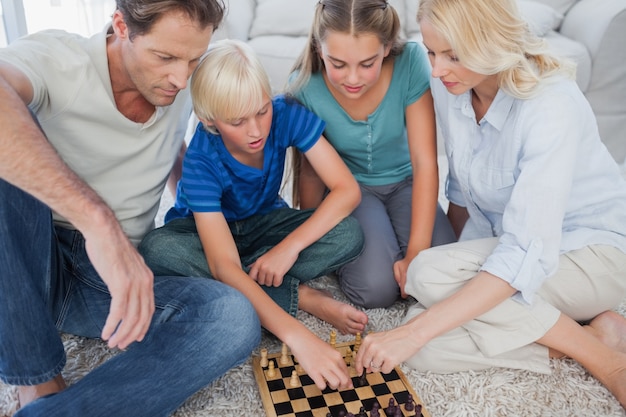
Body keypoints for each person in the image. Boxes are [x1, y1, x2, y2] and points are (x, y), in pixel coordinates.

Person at [353, 0, 626, 409]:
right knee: (426, 345)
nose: (437, 69)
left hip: (593, 252)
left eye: (453, 55)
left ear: (491, 44)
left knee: (426, 282)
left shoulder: (551, 105)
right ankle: (588, 333)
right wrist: (448, 273)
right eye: (430, 52)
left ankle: (606, 361)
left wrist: (430, 304)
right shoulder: (454, 87)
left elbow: (523, 252)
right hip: (516, 248)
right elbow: (463, 191)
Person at [0, 1, 261, 416]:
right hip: (26, 259)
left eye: (193, 59)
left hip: (103, 285)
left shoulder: (183, 81)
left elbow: (174, 151)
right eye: (165, 57)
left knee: (231, 316)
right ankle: (37, 379)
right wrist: (98, 222)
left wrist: (204, 206)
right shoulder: (59, 60)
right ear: (121, 26)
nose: (180, 78)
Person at [138, 39, 369, 391]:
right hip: (203, 236)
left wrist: (288, 248)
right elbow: (223, 264)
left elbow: (346, 190)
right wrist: (300, 336)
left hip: (264, 224)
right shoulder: (202, 159)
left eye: (262, 111)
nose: (256, 131)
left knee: (349, 233)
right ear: (209, 120)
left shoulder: (285, 112)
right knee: (157, 250)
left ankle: (259, 280)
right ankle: (301, 297)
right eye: (237, 121)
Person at [286, 0, 457, 309]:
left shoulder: (411, 62)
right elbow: (310, 171)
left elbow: (425, 162)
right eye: (337, 64)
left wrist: (416, 252)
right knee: (375, 291)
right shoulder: (304, 87)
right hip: (351, 191)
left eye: (367, 64)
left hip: (407, 182)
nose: (353, 79)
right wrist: (315, 238)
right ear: (318, 48)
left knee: (446, 276)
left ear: (387, 46)